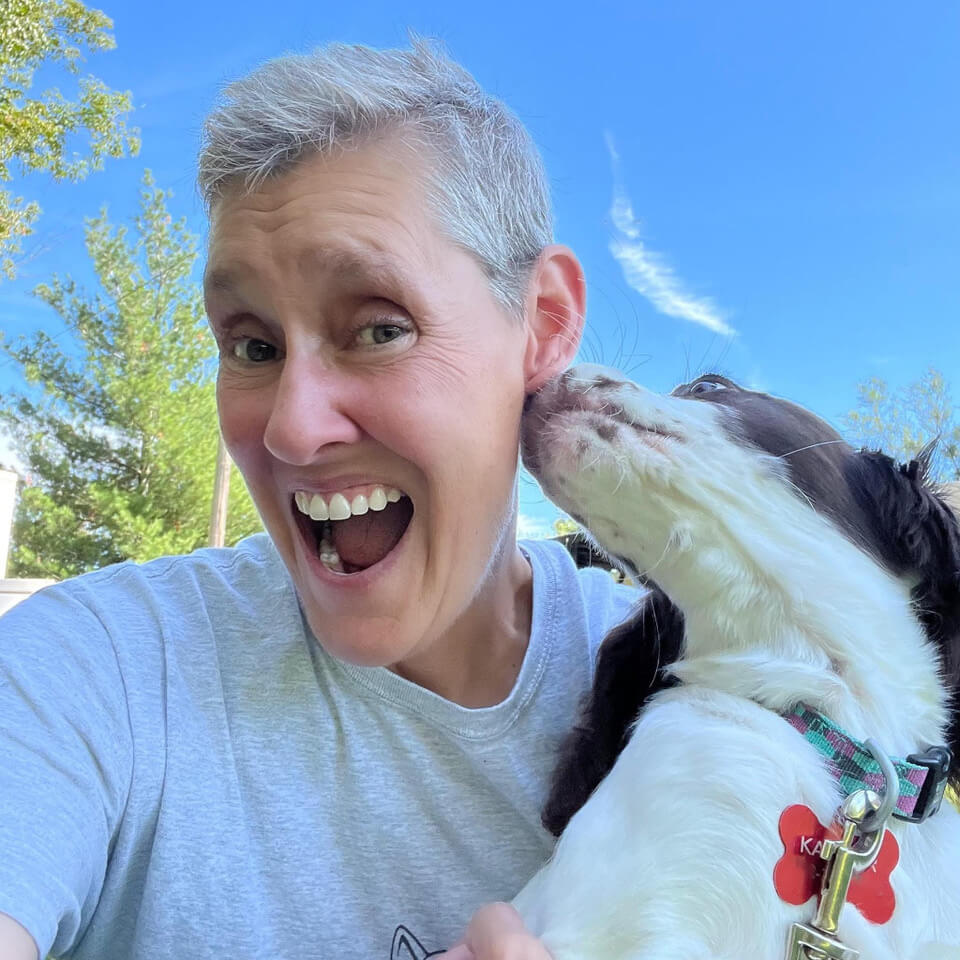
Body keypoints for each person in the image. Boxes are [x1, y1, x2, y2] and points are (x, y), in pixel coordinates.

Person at [0, 39, 638, 959]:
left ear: (543, 325)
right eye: (253, 347)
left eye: (379, 328)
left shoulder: (689, 687)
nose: (292, 431)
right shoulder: (101, 671)